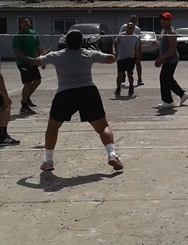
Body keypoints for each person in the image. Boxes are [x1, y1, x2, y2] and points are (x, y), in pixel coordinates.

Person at [35, 30, 123, 172]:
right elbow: (112, 59)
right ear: (82, 42)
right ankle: (112, 154)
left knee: (52, 128)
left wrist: (42, 55)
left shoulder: (57, 55)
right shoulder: (89, 54)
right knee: (102, 127)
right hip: (88, 91)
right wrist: (100, 52)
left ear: (66, 42)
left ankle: (49, 161)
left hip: (65, 93)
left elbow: (37, 62)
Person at [154, 12, 188, 109]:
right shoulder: (163, 31)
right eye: (162, 19)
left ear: (169, 21)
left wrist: (162, 58)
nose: (162, 21)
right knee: (168, 79)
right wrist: (159, 57)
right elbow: (163, 47)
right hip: (166, 59)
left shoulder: (170, 32)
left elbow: (172, 48)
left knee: (164, 78)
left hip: (171, 60)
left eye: (165, 19)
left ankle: (168, 101)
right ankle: (182, 94)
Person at [12, 18, 44, 115]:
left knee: (37, 80)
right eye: (23, 23)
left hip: (33, 62)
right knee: (28, 82)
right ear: (20, 25)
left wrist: (41, 59)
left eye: (27, 23)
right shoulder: (18, 36)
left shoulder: (33, 33)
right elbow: (17, 52)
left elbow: (37, 47)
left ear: (30, 24)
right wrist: (28, 59)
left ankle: (26, 98)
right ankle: (24, 106)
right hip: (23, 62)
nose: (25, 24)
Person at [114, 22, 140, 98]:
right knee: (120, 74)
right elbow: (115, 43)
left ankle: (131, 88)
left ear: (133, 28)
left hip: (130, 57)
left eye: (131, 26)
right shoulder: (121, 35)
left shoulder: (135, 37)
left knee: (130, 74)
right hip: (121, 57)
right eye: (128, 26)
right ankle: (118, 88)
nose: (130, 27)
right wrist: (114, 51)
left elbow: (136, 48)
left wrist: (137, 58)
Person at [120, 15, 143, 86]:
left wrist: (140, 50)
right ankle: (123, 75)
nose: (132, 22)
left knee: (138, 63)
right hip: (125, 49)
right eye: (131, 20)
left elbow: (139, 40)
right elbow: (120, 37)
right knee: (124, 63)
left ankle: (139, 78)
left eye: (134, 21)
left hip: (134, 48)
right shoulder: (124, 27)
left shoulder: (137, 29)